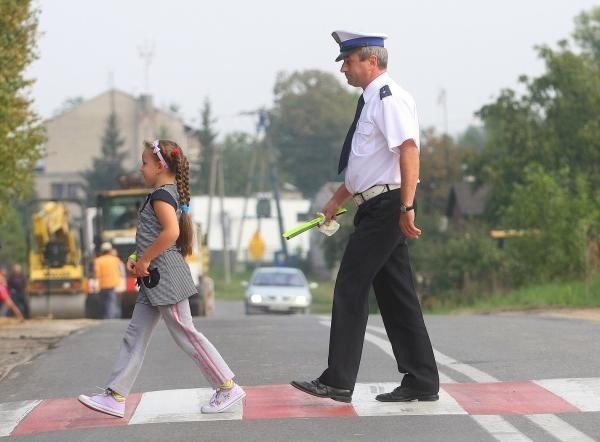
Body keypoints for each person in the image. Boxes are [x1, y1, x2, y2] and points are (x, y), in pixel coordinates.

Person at [291, 30, 439, 403]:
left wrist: (407, 206)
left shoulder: (389, 99)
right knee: (396, 295)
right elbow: (366, 165)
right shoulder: (371, 101)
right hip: (374, 204)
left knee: (350, 286)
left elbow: (408, 152)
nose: (343, 69)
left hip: (388, 207)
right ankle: (421, 380)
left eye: (348, 61)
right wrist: (336, 199)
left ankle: (338, 379)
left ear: (371, 62)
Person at [78, 139, 245, 418]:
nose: (140, 168)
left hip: (164, 277)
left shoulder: (161, 196)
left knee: (186, 335)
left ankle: (227, 386)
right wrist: (136, 256)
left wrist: (144, 260)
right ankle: (115, 396)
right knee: (135, 335)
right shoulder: (163, 194)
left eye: (144, 162)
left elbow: (170, 233)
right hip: (153, 278)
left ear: (160, 166)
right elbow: (155, 235)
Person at [93, 242, 122, 319]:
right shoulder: (116, 259)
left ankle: (108, 317)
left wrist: (96, 285)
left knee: (105, 302)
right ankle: (112, 318)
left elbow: (97, 273)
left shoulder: (98, 261)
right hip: (114, 284)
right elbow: (121, 271)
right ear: (110, 250)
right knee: (112, 301)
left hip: (102, 285)